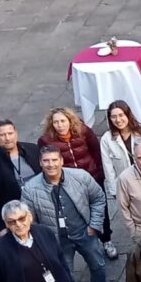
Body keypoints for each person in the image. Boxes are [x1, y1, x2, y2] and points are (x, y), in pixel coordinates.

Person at [21, 146, 107, 282]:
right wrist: (43, 242)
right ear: (40, 163)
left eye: (54, 160)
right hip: (57, 241)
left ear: (61, 161)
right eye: (46, 161)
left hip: (84, 232)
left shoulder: (80, 177)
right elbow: (29, 220)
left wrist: (94, 225)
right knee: (66, 274)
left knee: (98, 264)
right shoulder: (30, 189)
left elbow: (98, 198)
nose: (51, 164)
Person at [37, 107, 115, 260]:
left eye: (63, 121)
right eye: (56, 122)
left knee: (101, 209)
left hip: (92, 177)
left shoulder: (84, 131)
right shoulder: (46, 141)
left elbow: (96, 152)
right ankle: (90, 242)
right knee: (78, 211)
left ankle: (107, 240)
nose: (60, 125)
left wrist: (99, 173)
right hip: (69, 183)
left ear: (70, 120)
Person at [0, 120, 41, 235]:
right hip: (14, 219)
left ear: (16, 133)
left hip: (41, 212)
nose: (7, 138)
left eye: (10, 133)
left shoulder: (33, 149)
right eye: (2, 135)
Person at [99, 101, 141, 212]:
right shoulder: (106, 139)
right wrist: (114, 191)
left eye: (121, 115)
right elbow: (108, 168)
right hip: (126, 185)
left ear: (128, 115)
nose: (118, 120)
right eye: (114, 117)